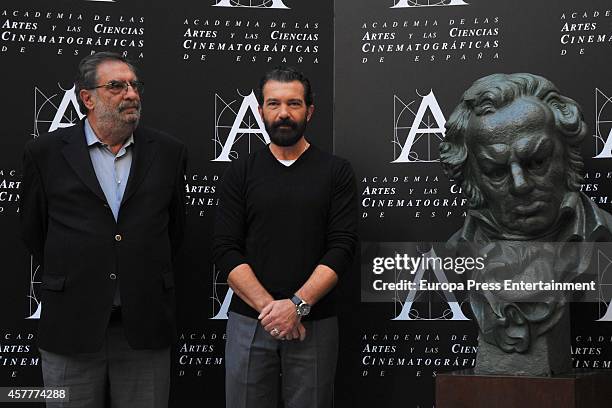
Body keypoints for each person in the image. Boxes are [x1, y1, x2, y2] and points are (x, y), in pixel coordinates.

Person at [20, 51, 187, 407]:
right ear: (87, 97)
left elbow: (173, 231)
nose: (131, 94)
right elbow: (35, 232)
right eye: (116, 86)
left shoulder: (169, 153)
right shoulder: (45, 153)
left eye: (134, 85)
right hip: (71, 329)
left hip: (144, 328)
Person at [440, 73, 612, 375]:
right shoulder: (459, 249)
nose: (520, 185)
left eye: (536, 161)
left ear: (568, 154)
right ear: (472, 178)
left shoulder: (601, 235)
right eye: (495, 171)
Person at [213, 67, 358, 408]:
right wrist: (273, 311)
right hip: (250, 321)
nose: (283, 114)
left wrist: (297, 306)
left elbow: (342, 247)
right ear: (261, 110)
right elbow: (225, 248)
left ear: (309, 110)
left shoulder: (336, 171)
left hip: (316, 323)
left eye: (293, 104)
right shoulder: (241, 171)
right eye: (273, 104)